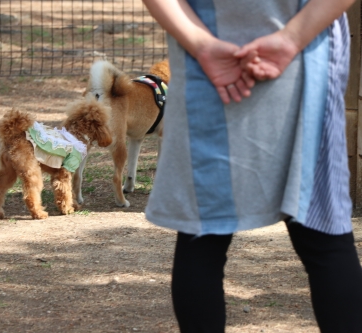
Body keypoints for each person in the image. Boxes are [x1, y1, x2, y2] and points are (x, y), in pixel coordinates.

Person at [141, 0, 362, 332]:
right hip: (304, 61)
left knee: (203, 238)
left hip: (207, 65)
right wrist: (291, 38)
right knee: (324, 236)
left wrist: (201, 43)